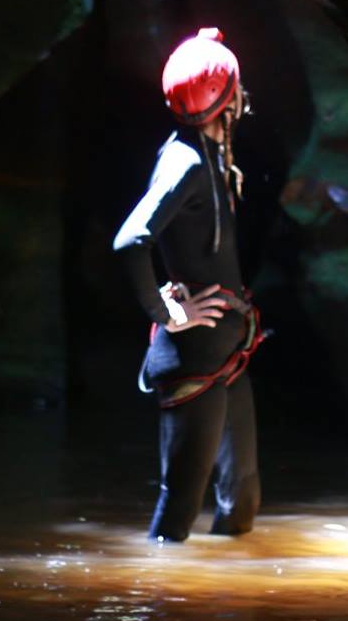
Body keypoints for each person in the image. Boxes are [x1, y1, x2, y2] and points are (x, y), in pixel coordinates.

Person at [113, 27, 269, 541]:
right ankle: (163, 612)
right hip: (192, 358)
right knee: (180, 504)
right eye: (238, 87)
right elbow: (132, 239)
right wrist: (167, 312)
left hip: (224, 354)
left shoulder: (209, 152)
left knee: (241, 495)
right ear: (227, 101)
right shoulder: (186, 162)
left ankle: (227, 610)